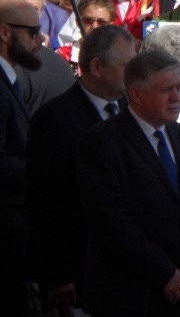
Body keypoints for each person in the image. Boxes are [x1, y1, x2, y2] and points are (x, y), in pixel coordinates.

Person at [76, 50, 180, 316]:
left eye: (178, 87)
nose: (177, 97)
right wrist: (165, 274)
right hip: (131, 295)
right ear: (136, 94)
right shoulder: (102, 142)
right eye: (166, 89)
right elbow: (110, 220)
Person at [26, 26, 135, 314]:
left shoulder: (133, 112)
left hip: (129, 267)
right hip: (80, 268)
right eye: (126, 66)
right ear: (97, 67)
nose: (134, 73)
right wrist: (58, 275)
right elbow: (46, 203)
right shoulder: (55, 119)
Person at [0, 0, 44, 313]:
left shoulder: (10, 81)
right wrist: (42, 171)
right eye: (32, 31)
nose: (40, 39)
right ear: (5, 33)